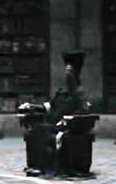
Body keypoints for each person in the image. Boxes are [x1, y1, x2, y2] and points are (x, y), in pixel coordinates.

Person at [19, 49, 90, 177]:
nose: (67, 74)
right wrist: (32, 106)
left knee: (40, 128)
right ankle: (34, 165)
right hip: (52, 124)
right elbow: (49, 106)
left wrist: (68, 120)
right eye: (66, 71)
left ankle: (38, 166)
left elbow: (84, 110)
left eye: (70, 72)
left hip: (65, 126)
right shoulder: (61, 91)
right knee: (35, 128)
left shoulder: (79, 93)